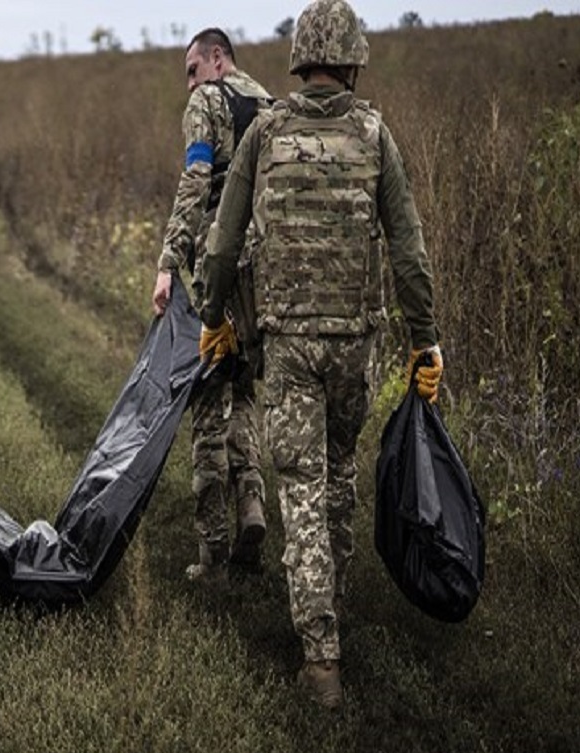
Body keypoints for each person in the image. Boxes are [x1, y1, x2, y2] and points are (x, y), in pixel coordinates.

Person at [197, 0, 442, 708]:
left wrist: (212, 318)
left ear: (302, 58)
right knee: (337, 479)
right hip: (356, 344)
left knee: (300, 484)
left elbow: (222, 239)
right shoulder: (373, 133)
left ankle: (320, 654)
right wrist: (424, 340)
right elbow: (410, 251)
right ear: (354, 60)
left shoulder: (267, 130)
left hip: (290, 343)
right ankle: (334, 612)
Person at [151, 28, 272, 583]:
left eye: (193, 68)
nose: (190, 82)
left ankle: (213, 555)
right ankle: (252, 504)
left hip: (222, 276)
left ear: (217, 59)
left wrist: (169, 259)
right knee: (244, 391)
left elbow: (195, 180)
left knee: (206, 401)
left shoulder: (206, 103)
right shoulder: (269, 104)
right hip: (268, 279)